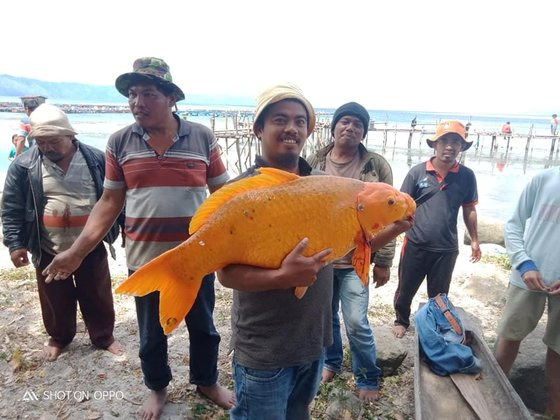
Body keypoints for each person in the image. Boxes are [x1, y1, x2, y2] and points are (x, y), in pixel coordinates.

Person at [43, 57, 233, 419]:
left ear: (171, 97)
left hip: (195, 259)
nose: (137, 102)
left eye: (147, 93)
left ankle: (207, 382)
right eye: (132, 94)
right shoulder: (120, 142)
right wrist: (77, 252)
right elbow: (110, 201)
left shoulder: (202, 137)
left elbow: (224, 194)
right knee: (150, 334)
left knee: (204, 327)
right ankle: (157, 389)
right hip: (145, 259)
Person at [217, 85, 410, 419]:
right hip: (264, 350)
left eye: (300, 121)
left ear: (308, 130)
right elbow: (226, 274)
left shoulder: (325, 186)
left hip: (314, 343)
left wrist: (394, 228)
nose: (291, 128)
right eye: (280, 119)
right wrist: (282, 277)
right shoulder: (241, 193)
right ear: (259, 127)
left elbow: (348, 251)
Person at [1, 103, 123, 361]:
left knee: (97, 292)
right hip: (47, 246)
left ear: (70, 135)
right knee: (54, 297)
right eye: (41, 142)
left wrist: (124, 231)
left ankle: (103, 337)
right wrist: (15, 243)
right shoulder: (23, 166)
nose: (47, 147)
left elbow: (115, 198)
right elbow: (11, 208)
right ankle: (59, 337)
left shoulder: (97, 159)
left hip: (90, 244)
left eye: (53, 141)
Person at [307, 102, 410, 402]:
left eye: (357, 124)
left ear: (363, 132)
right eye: (345, 122)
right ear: (334, 126)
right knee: (327, 320)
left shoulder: (376, 166)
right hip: (323, 257)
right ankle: (332, 362)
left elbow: (390, 216)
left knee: (356, 321)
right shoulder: (313, 160)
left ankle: (368, 375)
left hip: (357, 258)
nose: (350, 128)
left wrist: (385, 262)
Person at [392, 120, 481, 338]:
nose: (449, 146)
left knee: (440, 294)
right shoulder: (417, 172)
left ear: (461, 147)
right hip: (415, 243)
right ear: (435, 144)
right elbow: (400, 206)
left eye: (455, 142)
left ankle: (433, 325)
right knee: (405, 288)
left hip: (446, 247)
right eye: (444, 141)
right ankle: (401, 320)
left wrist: (475, 240)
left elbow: (469, 209)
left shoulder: (467, 176)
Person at [494, 167, 560, 419]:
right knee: (509, 336)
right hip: (528, 276)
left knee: (558, 348)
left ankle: (554, 408)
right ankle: (492, 392)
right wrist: (523, 263)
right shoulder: (545, 179)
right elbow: (514, 223)